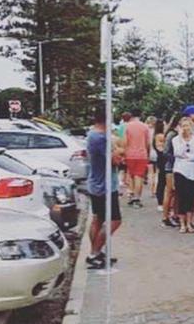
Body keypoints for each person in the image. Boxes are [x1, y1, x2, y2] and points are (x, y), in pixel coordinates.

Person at [86, 108, 122, 270]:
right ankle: (94, 253)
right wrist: (117, 149)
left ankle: (96, 252)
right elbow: (115, 160)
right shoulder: (101, 138)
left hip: (96, 183)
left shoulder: (92, 134)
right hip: (105, 185)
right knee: (115, 220)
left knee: (98, 218)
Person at [172, 117, 194, 233]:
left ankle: (189, 222)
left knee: (191, 197)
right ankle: (182, 223)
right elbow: (177, 153)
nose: (186, 128)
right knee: (181, 196)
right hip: (180, 170)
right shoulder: (176, 140)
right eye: (183, 126)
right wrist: (182, 140)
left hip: (192, 171)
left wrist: (188, 157)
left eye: (188, 125)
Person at [124, 108, 151, 208]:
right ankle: (137, 198)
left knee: (131, 176)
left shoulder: (128, 126)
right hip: (141, 154)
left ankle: (130, 195)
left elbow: (125, 141)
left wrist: (124, 154)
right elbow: (148, 143)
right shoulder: (145, 127)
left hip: (130, 154)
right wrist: (147, 153)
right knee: (138, 176)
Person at [160, 115, 180, 227]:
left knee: (176, 192)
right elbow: (166, 152)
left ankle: (174, 214)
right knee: (170, 191)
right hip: (171, 167)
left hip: (176, 166)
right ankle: (165, 216)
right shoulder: (172, 135)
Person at [151, 119, 166, 210]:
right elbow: (160, 148)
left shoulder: (155, 136)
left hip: (160, 159)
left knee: (161, 179)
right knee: (162, 180)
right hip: (162, 159)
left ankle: (160, 200)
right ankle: (160, 200)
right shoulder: (160, 136)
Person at [145, 116, 158, 196]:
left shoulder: (146, 131)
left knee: (150, 172)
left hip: (149, 152)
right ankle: (155, 189)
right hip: (157, 153)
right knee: (157, 172)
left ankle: (151, 190)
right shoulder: (157, 131)